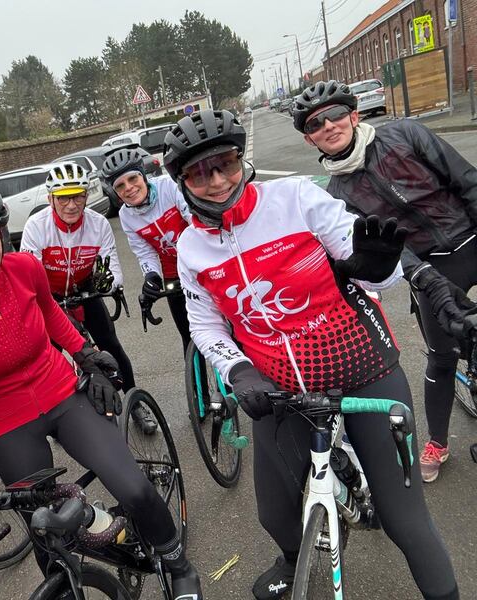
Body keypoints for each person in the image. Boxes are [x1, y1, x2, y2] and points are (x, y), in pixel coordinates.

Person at [164, 109, 459, 600]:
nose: (217, 181)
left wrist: (374, 267)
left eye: (226, 164)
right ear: (183, 181)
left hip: (362, 367)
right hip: (277, 387)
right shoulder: (191, 247)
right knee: (273, 514)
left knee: (404, 521)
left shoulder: (296, 199)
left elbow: (373, 272)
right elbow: (205, 323)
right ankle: (293, 558)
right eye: (199, 172)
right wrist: (237, 370)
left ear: (242, 160)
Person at [0, 180, 203, 599]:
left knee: (134, 487)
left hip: (61, 391)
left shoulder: (24, 269)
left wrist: (85, 354)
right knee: (46, 530)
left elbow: (50, 313)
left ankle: (177, 560)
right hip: (5, 417)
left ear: (2, 237)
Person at [293, 80, 477, 483]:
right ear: (310, 139)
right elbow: (386, 250)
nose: (329, 125)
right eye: (316, 123)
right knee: (442, 356)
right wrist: (422, 276)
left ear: (354, 115)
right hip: (428, 266)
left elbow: (464, 179)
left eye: (336, 114)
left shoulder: (406, 134)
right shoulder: (337, 194)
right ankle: (439, 442)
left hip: (470, 237)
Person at [19, 162, 157, 433]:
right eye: (64, 198)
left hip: (86, 292)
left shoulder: (98, 224)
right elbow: (27, 273)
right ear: (50, 199)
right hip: (50, 300)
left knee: (111, 347)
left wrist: (109, 282)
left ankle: (134, 402)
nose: (72, 205)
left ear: (86, 195)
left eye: (78, 196)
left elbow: (113, 267)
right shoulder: (36, 226)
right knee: (49, 358)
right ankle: (55, 417)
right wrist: (41, 301)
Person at [101, 148, 193, 352]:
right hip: (173, 273)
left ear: (143, 176)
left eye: (133, 178)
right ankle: (198, 382)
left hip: (201, 262)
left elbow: (195, 222)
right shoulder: (126, 216)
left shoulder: (169, 188)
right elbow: (144, 252)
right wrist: (151, 277)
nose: (129, 188)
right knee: (188, 339)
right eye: (120, 186)